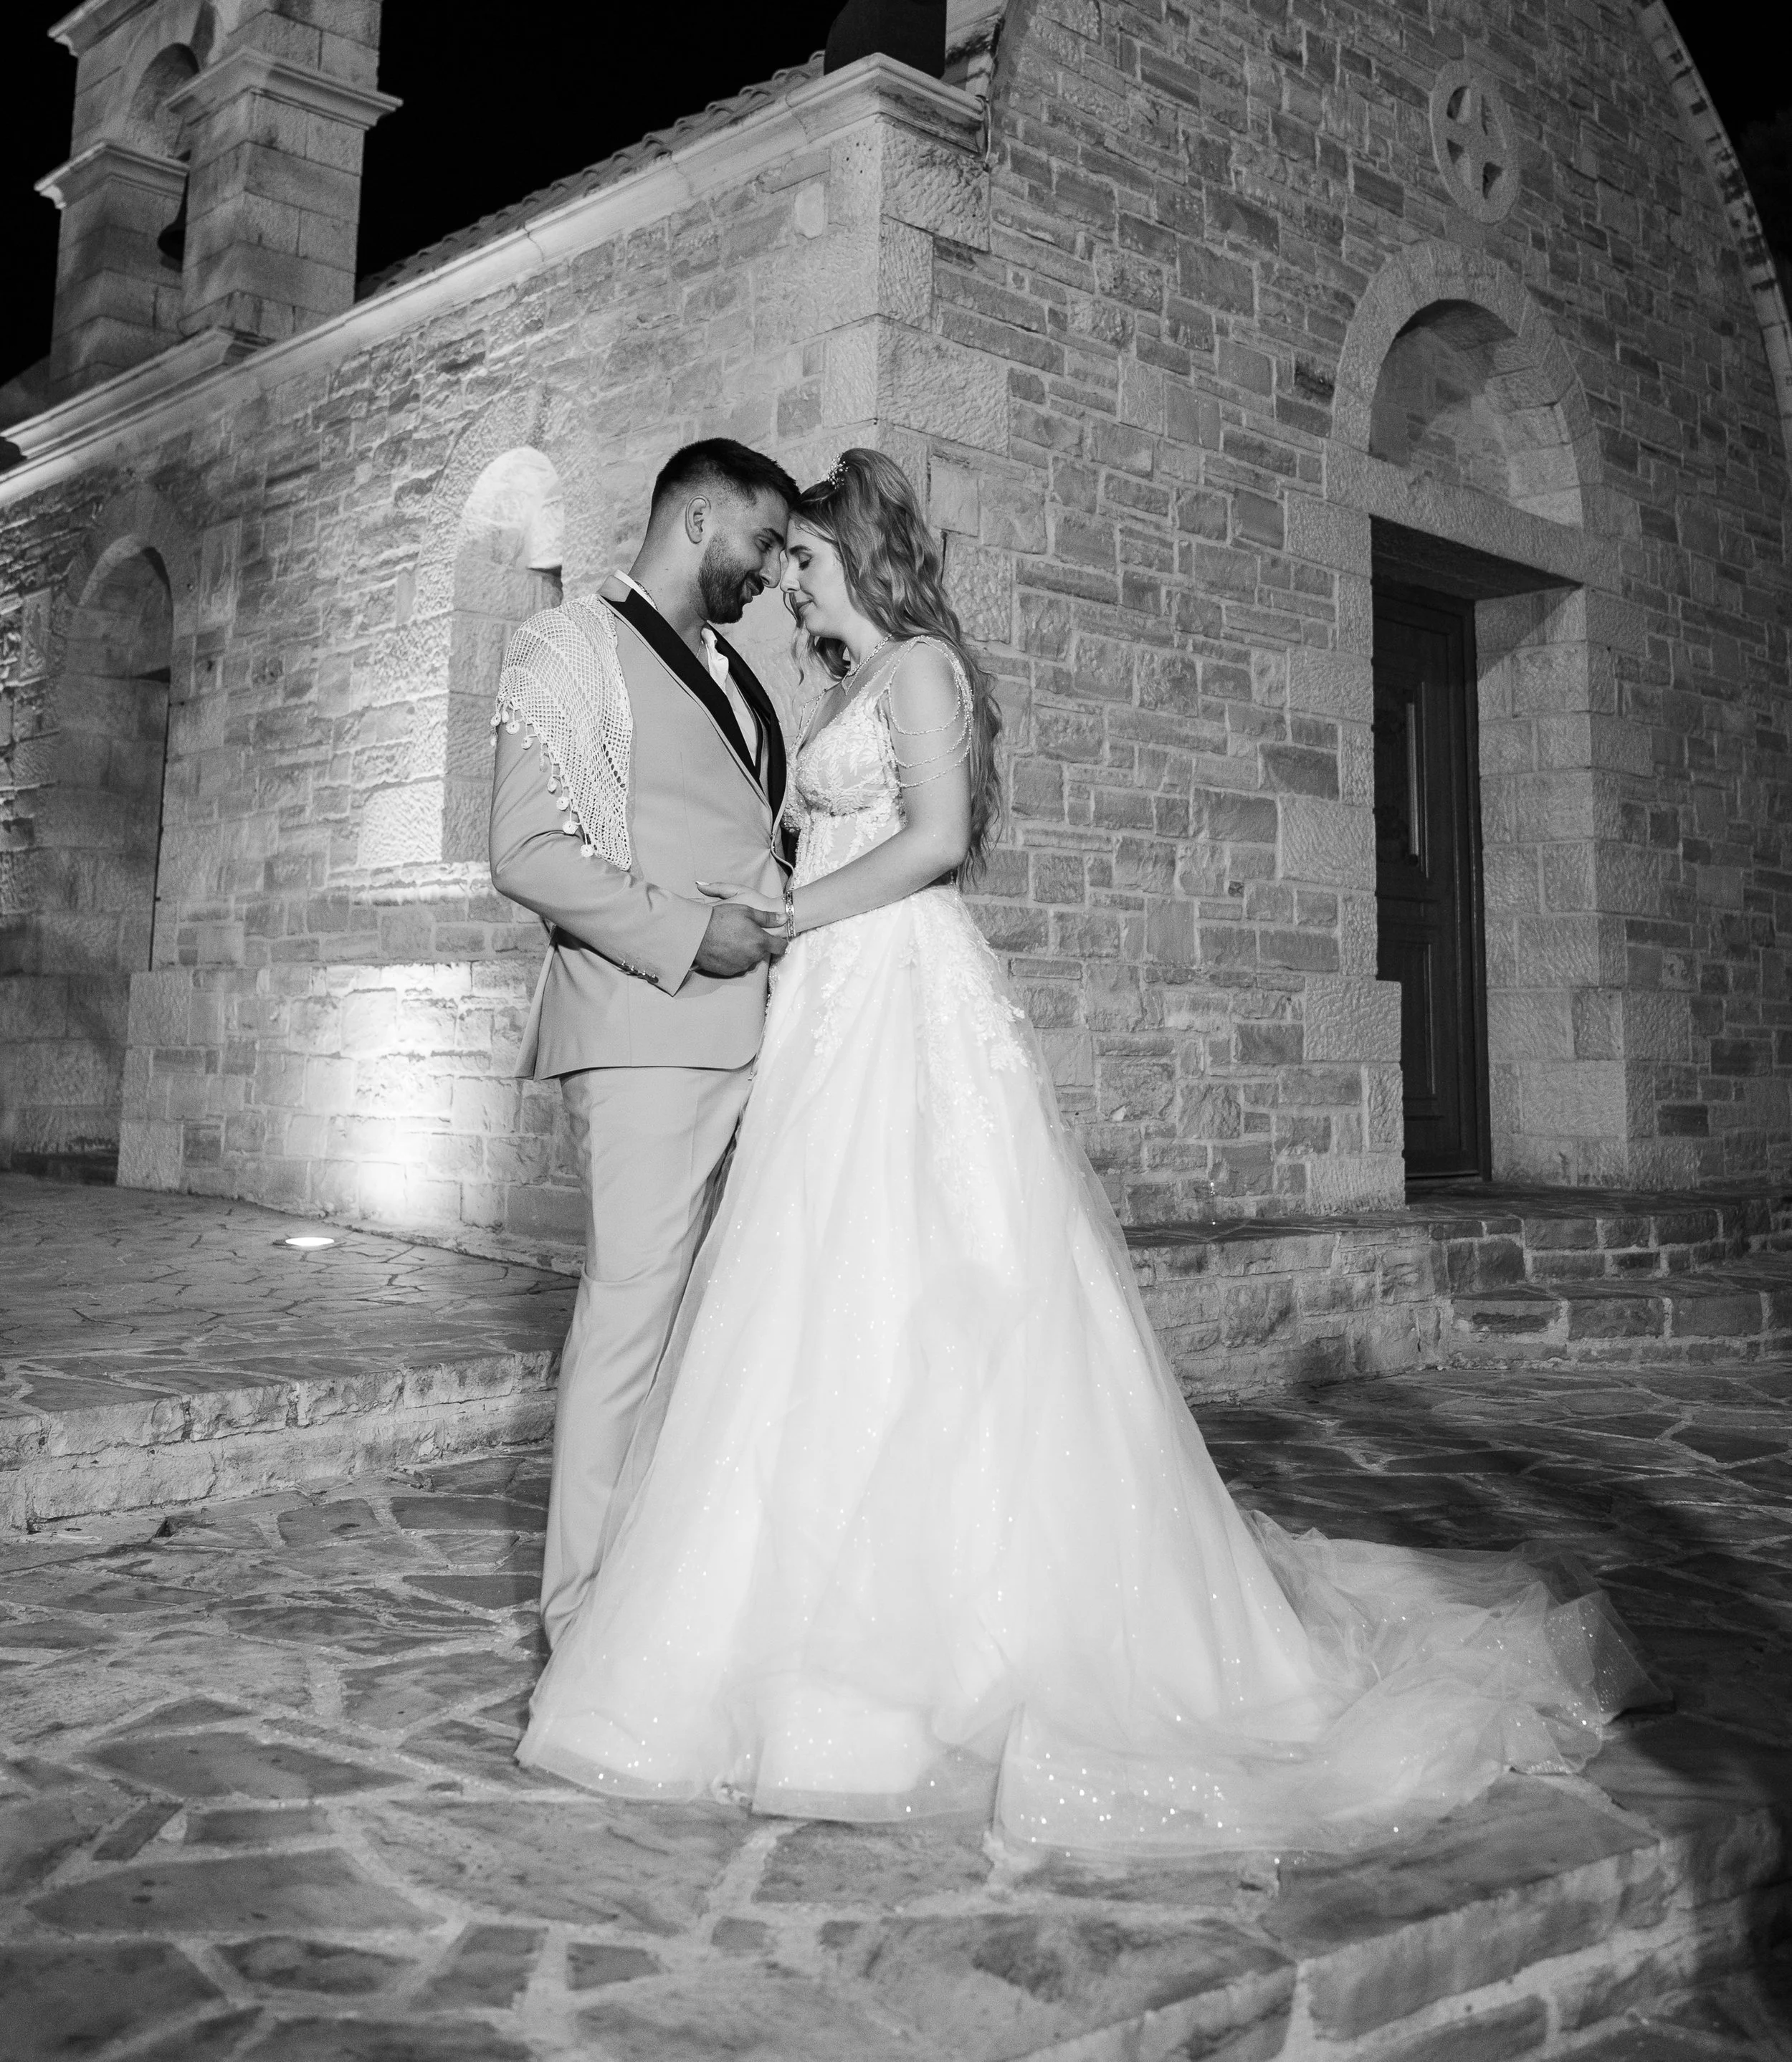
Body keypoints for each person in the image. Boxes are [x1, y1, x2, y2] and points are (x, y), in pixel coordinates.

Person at [515, 448, 1649, 1853]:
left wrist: (800, 922)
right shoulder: (826, 687)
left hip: (890, 984)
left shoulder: (919, 668)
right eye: (780, 555)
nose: (786, 579)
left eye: (804, 557)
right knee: (811, 1276)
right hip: (825, 1003)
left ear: (857, 555)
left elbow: (930, 842)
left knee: (941, 1266)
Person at [489, 436, 799, 1649]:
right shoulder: (568, 645)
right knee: (627, 1320)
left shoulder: (738, 675)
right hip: (642, 1038)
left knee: (722, 1328)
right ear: (698, 517)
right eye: (763, 541)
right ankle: (581, 1625)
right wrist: (689, 935)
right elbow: (527, 852)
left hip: (760, 1042)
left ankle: (678, 1594)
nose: (773, 569)